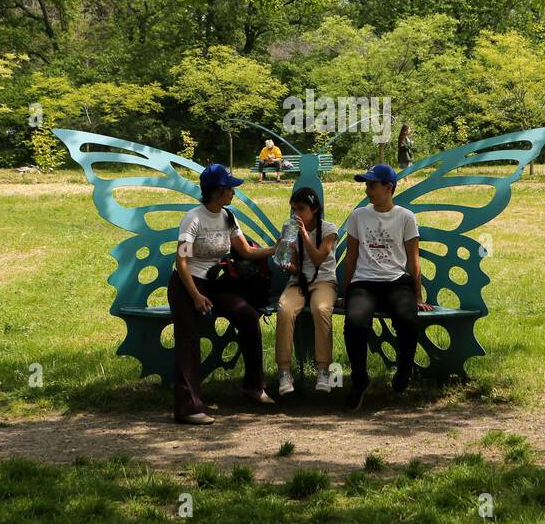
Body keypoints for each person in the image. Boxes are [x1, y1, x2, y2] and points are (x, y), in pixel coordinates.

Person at [169, 163, 276, 424]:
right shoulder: (193, 218)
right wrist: (195, 296)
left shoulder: (228, 216)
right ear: (217, 191)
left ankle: (253, 386)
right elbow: (182, 262)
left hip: (216, 283)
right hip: (187, 284)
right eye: (230, 189)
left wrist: (277, 248)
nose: (234, 193)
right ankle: (188, 407)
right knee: (188, 337)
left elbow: (247, 252)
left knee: (248, 317)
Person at [341, 162, 431, 411]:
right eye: (366, 185)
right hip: (364, 283)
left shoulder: (405, 217)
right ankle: (359, 380)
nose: (367, 190)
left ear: (388, 187)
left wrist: (417, 294)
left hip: (396, 283)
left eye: (372, 185)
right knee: (355, 321)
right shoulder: (359, 215)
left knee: (408, 318)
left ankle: (404, 370)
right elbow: (351, 256)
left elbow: (413, 259)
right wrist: (345, 292)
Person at [275, 187, 339, 396]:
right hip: (298, 282)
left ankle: (323, 369)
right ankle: (284, 371)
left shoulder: (329, 229)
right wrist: (285, 260)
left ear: (315, 209)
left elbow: (319, 258)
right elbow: (293, 266)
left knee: (321, 309)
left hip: (324, 282)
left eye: (301, 209)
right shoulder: (289, 227)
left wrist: (303, 234)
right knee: (284, 309)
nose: (296, 215)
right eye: (293, 209)